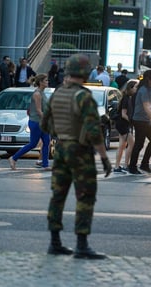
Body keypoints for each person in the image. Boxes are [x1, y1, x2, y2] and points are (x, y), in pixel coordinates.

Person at [41, 53, 112, 259]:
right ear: (84, 71)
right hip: (80, 151)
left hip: (61, 148)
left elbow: (46, 124)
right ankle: (81, 244)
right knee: (85, 196)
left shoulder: (57, 94)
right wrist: (105, 158)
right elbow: (94, 131)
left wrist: (60, 135)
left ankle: (55, 242)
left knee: (58, 195)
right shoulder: (84, 96)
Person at [8, 74, 51, 170]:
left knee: (46, 142)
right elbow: (39, 111)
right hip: (36, 122)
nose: (47, 82)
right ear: (40, 82)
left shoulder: (42, 93)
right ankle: (13, 158)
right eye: (46, 80)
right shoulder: (37, 94)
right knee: (33, 144)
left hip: (42, 123)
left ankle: (45, 164)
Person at [128, 69, 151, 175]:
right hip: (140, 120)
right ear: (149, 78)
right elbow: (147, 108)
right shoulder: (143, 90)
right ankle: (132, 166)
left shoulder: (147, 89)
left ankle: (144, 164)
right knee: (139, 144)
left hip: (145, 120)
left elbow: (148, 108)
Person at [113, 80, 137, 174]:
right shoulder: (126, 98)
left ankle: (117, 166)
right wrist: (132, 121)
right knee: (131, 143)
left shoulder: (127, 98)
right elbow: (123, 114)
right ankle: (125, 165)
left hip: (121, 124)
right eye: (135, 87)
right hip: (123, 124)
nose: (136, 89)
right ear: (130, 88)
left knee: (122, 145)